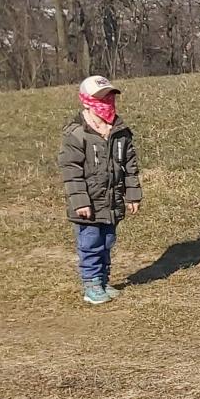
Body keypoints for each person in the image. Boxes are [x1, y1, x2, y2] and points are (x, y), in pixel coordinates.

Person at [58, 75, 141, 305]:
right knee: (90, 243)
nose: (107, 102)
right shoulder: (77, 133)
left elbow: (130, 166)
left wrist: (132, 195)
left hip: (112, 202)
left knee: (107, 241)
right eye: (101, 98)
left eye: (110, 97)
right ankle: (91, 283)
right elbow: (71, 171)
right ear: (86, 101)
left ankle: (103, 280)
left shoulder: (120, 132)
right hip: (89, 205)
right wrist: (81, 202)